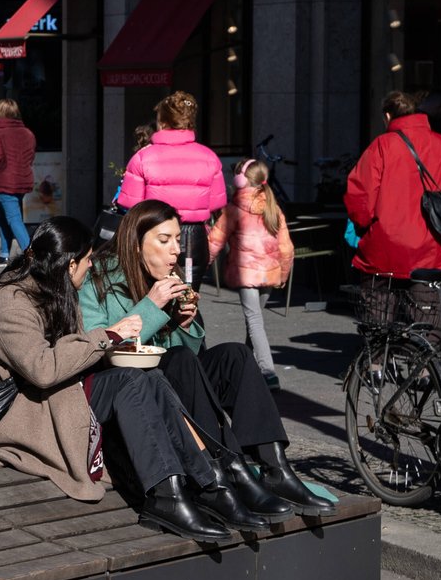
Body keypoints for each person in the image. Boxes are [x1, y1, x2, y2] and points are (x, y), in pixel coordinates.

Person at [0, 217, 242, 542]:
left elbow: (73, 354)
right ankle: (167, 495)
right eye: (89, 259)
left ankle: (205, 481)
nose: (92, 267)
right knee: (131, 383)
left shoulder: (56, 289)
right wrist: (108, 335)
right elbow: (42, 369)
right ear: (71, 263)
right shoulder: (12, 302)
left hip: (51, 393)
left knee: (147, 377)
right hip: (14, 410)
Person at [79, 200, 333, 527]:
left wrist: (184, 325)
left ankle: (275, 467)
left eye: (177, 240)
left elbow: (187, 358)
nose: (175, 251)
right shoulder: (98, 279)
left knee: (234, 356)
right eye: (164, 240)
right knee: (182, 359)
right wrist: (152, 306)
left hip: (176, 383)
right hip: (134, 397)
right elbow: (100, 346)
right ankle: (222, 473)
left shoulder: (164, 277)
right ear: (135, 242)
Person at [345, 89, 441, 280]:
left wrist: (362, 226)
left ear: (388, 115)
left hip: (388, 247)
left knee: (381, 306)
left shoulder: (381, 146)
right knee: (427, 306)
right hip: (437, 248)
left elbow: (360, 198)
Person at [113, 90, 225, 282]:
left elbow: (130, 204)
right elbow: (217, 204)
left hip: (155, 235)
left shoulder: (143, 157)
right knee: (188, 301)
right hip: (193, 238)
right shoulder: (209, 157)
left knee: (155, 298)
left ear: (163, 122)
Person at [208, 159, 296, 386]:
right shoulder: (273, 208)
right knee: (254, 320)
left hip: (247, 274)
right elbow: (286, 247)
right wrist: (283, 274)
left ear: (241, 179)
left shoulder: (234, 209)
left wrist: (203, 264)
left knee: (254, 321)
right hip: (269, 274)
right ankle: (246, 365)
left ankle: (268, 372)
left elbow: (215, 241)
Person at [0, 97, 37, 266]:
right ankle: (4, 254)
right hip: (22, 179)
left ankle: (31, 255)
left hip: (5, 180)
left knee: (13, 219)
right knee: (6, 217)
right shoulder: (28, 133)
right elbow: (31, 157)